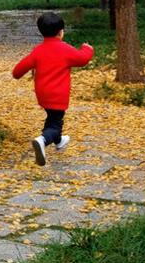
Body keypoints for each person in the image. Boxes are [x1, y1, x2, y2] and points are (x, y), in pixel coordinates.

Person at [12, 11, 94, 166]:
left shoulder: (38, 50)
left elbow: (17, 72)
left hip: (43, 94)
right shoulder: (65, 49)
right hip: (58, 95)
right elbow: (82, 59)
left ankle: (59, 140)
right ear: (61, 32)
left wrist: (21, 73)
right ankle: (43, 140)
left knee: (53, 118)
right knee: (55, 122)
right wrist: (87, 48)